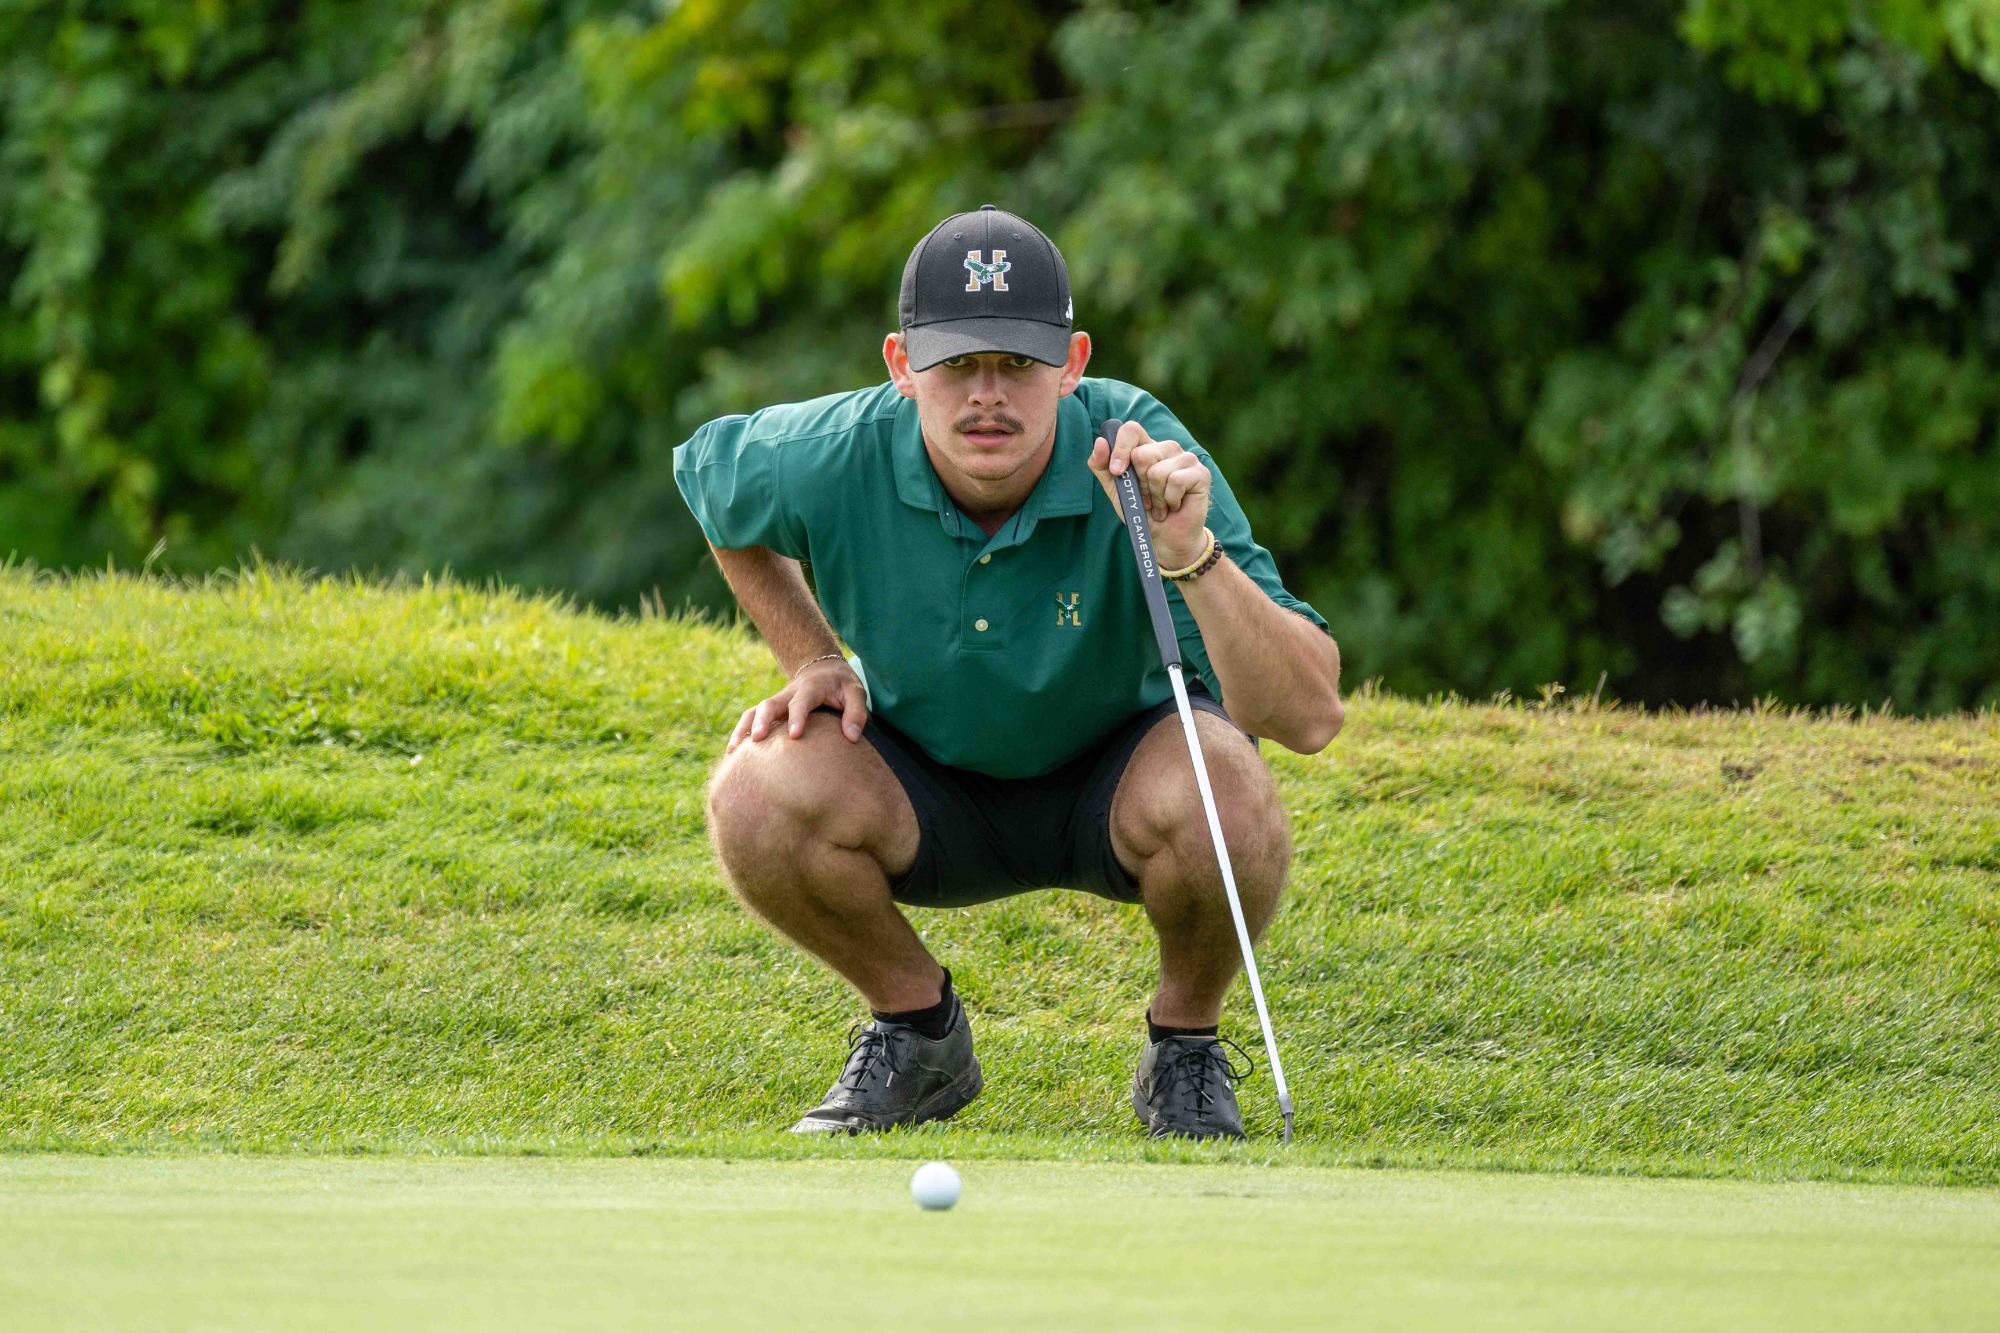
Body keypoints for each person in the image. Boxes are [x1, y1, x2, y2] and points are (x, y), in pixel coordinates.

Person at [673, 206, 1343, 1139]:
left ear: (1071, 363)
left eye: (1018, 364)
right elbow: (711, 490)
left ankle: (1185, 1046)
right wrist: (812, 655)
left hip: (1126, 765)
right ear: (902, 366)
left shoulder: (1138, 449)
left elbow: (1309, 714)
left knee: (1228, 789)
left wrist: (1192, 555)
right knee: (753, 791)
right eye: (957, 364)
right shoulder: (830, 452)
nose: (987, 395)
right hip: (922, 779)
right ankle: (918, 1033)